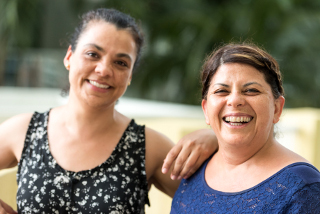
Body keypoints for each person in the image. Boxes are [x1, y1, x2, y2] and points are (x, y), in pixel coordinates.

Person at [0, 8, 218, 214]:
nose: (104, 70)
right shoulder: (24, 131)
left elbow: (216, 204)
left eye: (121, 63)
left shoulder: (148, 147)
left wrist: (217, 138)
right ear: (69, 57)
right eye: (93, 54)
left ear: (130, 75)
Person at [171, 43, 320, 213]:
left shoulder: (303, 188)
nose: (234, 100)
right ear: (206, 109)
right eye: (221, 91)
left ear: (277, 108)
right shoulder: (193, 167)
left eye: (251, 90)